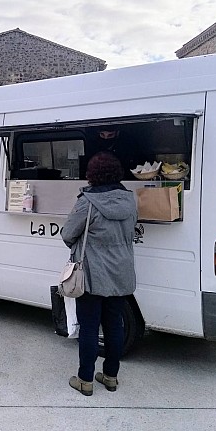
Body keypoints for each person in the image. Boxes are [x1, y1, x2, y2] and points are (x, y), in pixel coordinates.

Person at [61, 151, 137, 396]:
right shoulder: (130, 200)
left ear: (92, 175)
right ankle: (111, 376)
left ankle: (85, 379)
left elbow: (68, 233)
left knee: (90, 327)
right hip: (121, 273)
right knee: (114, 325)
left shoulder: (87, 201)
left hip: (92, 274)